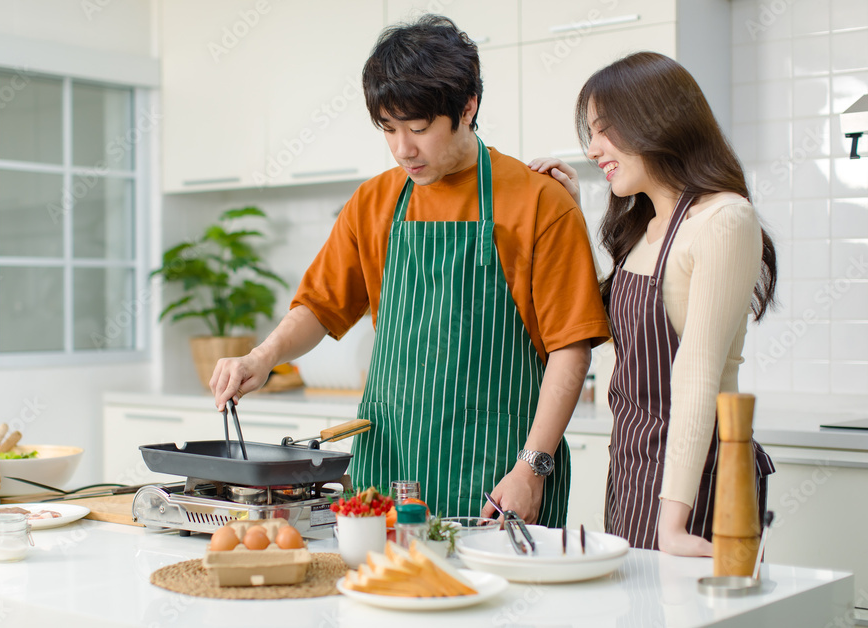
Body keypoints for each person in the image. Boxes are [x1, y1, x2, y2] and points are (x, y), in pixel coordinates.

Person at [210, 15, 610, 524]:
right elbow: (319, 306)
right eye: (389, 129)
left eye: (419, 128)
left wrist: (531, 468)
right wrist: (261, 358)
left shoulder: (538, 201)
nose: (403, 149)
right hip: (389, 476)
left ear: (468, 108)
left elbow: (570, 349)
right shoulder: (374, 202)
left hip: (498, 478)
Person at [529, 51, 776, 555]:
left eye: (604, 129)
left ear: (655, 121)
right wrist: (571, 216)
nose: (592, 148)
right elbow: (608, 315)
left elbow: (697, 375)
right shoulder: (644, 227)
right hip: (634, 465)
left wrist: (673, 525)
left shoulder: (724, 219)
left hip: (696, 477)